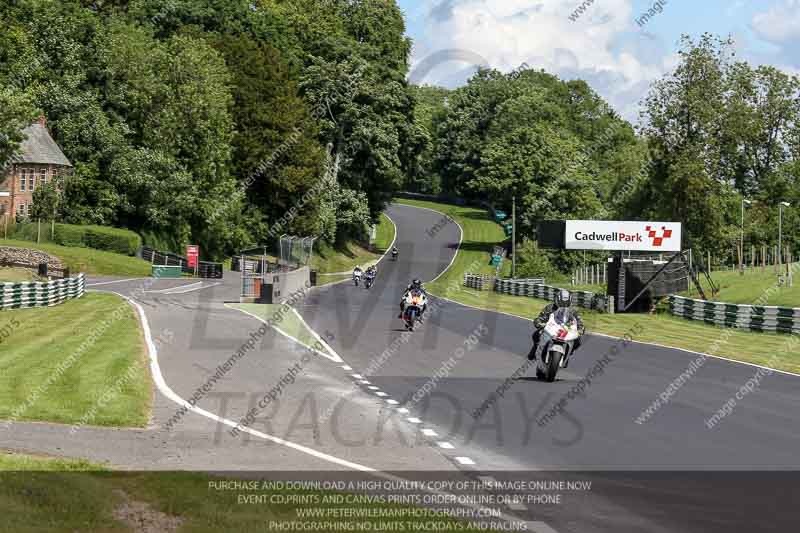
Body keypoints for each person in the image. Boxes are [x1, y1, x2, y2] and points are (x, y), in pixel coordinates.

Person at [529, 289, 585, 359]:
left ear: (569, 302)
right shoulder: (550, 307)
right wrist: (539, 322)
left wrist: (581, 329)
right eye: (562, 303)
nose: (563, 305)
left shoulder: (573, 311)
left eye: (565, 303)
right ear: (557, 300)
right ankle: (535, 348)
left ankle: (569, 353)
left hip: (566, 330)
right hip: (551, 327)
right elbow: (541, 317)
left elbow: (579, 321)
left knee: (578, 340)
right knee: (537, 334)